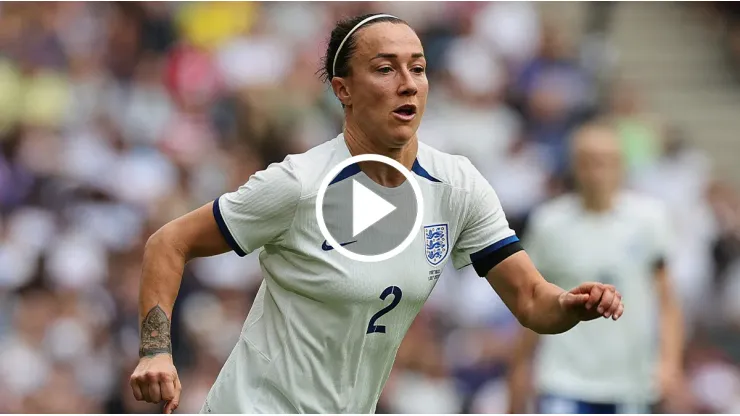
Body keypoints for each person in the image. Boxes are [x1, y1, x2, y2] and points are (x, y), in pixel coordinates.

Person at [129, 14, 625, 414]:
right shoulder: (298, 184)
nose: (408, 83)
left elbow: (533, 300)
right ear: (343, 90)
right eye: (385, 69)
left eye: (419, 67)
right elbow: (168, 243)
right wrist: (156, 350)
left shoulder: (458, 185)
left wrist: (572, 305)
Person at [507, 122, 684, 414]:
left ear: (621, 165)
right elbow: (532, 299)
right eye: (587, 161)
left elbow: (667, 301)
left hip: (631, 379)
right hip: (563, 377)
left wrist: (670, 363)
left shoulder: (650, 220)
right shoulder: (549, 223)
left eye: (604, 161)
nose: (596, 171)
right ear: (574, 166)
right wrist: (520, 368)